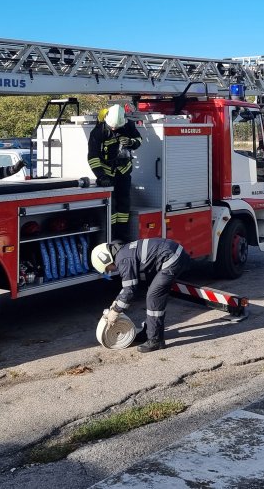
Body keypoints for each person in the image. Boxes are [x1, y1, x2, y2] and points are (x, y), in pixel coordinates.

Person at [91, 237, 190, 353]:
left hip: (172, 258)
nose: (111, 270)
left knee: (154, 296)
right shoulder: (123, 253)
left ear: (106, 259)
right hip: (172, 253)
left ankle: (156, 340)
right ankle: (149, 332)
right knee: (152, 294)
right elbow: (129, 286)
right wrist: (116, 302)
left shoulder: (123, 260)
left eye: (108, 268)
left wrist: (116, 311)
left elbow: (130, 290)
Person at [87, 104, 142, 240]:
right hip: (107, 174)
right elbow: (92, 156)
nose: (114, 128)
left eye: (116, 126)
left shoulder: (128, 125)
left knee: (124, 204)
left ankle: (122, 235)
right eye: (112, 126)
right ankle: (110, 236)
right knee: (110, 207)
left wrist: (130, 142)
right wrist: (101, 176)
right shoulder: (98, 131)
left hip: (124, 171)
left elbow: (138, 140)